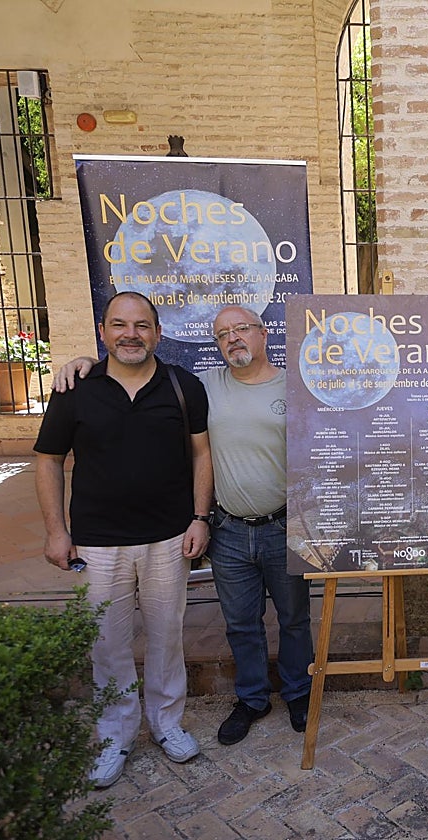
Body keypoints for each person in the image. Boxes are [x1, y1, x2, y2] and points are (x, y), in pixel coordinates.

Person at [53, 305, 315, 747]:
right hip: (228, 528)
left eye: (242, 330)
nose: (233, 339)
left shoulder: (297, 386)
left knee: (294, 618)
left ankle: (299, 692)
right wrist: (83, 362)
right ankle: (252, 699)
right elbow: (134, 368)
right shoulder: (203, 385)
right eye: (222, 334)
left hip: (284, 526)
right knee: (241, 623)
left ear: (263, 334)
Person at [35, 291, 213, 788]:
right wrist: (56, 531)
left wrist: (201, 517)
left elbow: (202, 454)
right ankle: (114, 736)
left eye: (141, 325)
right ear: (103, 330)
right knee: (107, 644)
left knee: (166, 636)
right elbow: (49, 460)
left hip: (168, 537)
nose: (130, 334)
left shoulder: (183, 386)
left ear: (158, 333)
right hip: (97, 541)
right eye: (119, 325)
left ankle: (167, 724)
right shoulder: (76, 388)